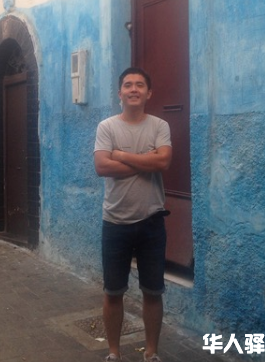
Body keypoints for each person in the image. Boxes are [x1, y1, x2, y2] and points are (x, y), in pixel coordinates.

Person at [94, 67, 172, 362]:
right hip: (115, 222)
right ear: (120, 93)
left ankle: (151, 353)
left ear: (149, 93)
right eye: (128, 85)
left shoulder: (160, 126)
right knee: (113, 292)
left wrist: (122, 156)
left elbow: (163, 162)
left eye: (140, 85)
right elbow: (102, 167)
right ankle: (114, 352)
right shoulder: (107, 127)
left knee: (153, 291)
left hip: (152, 222)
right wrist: (146, 161)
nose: (134, 89)